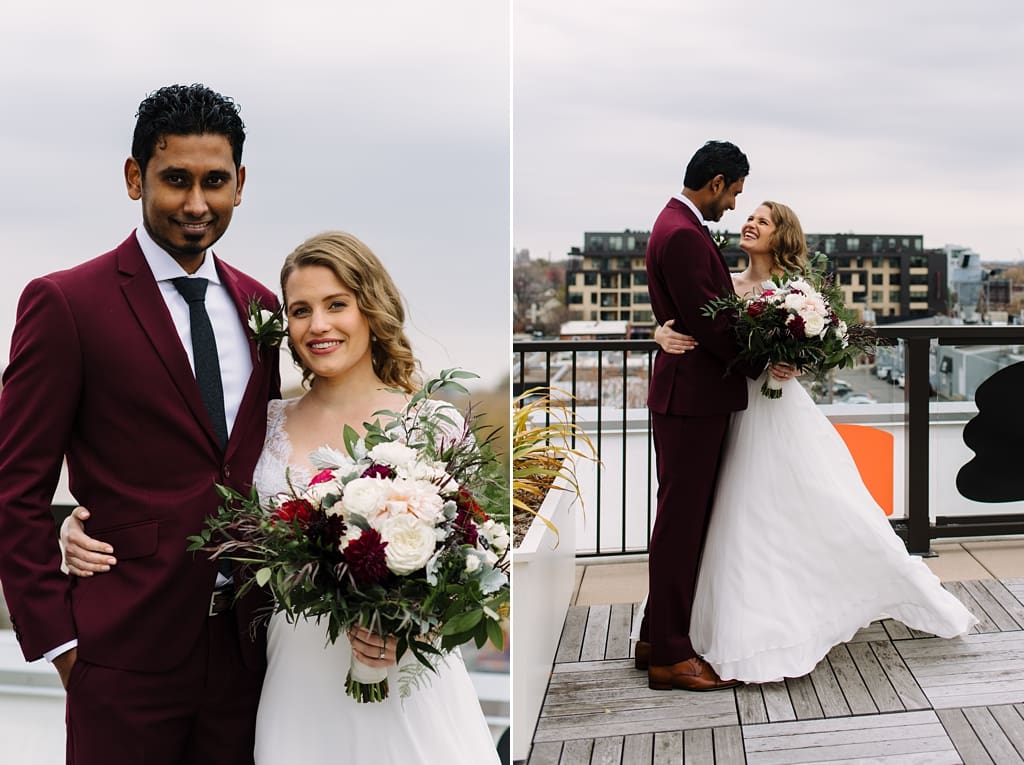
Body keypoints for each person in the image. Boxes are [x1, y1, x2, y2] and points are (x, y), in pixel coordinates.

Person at [65, 232, 501, 763]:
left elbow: (478, 564)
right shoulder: (268, 422)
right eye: (300, 310)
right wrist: (82, 527)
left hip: (403, 677)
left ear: (370, 308)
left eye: (336, 304)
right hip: (294, 678)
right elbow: (197, 497)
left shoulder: (434, 424)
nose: (318, 325)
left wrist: (416, 628)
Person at [0, 83, 292, 764]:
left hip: (249, 659)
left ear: (240, 184)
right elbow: (14, 489)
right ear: (136, 178)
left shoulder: (264, 307)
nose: (196, 203)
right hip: (120, 661)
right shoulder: (66, 304)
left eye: (215, 181)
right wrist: (66, 649)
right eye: (176, 180)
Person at [650, 200, 977, 683]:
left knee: (805, 502)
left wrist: (796, 362)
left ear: (781, 235)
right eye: (748, 216)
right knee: (734, 512)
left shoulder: (795, 292)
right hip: (728, 408)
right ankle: (722, 617)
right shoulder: (727, 283)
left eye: (762, 220)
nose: (749, 222)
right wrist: (660, 332)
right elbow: (697, 321)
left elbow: (826, 340)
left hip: (773, 405)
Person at [639, 140, 796, 692]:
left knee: (680, 521)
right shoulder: (683, 233)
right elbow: (710, 324)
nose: (733, 207)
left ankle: (655, 635)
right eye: (734, 195)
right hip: (693, 399)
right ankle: (671, 656)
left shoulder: (674, 225)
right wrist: (764, 361)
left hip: (689, 395)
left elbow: (696, 312)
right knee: (682, 526)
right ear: (717, 182)